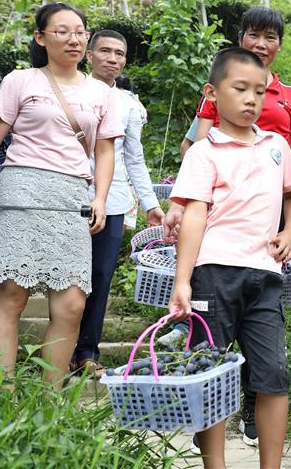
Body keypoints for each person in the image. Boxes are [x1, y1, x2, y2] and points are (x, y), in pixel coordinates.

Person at [0, 2, 122, 386]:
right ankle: (3, 390)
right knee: (12, 295)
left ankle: (49, 401)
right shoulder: (20, 81)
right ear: (41, 37)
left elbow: (104, 150)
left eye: (80, 31)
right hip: (19, 193)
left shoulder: (101, 92)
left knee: (71, 303)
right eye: (62, 31)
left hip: (71, 199)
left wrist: (100, 198)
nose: (73, 39)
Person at [168, 6, 291, 447]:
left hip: (265, 271)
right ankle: (214, 458)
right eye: (240, 90)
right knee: (209, 369)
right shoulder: (204, 151)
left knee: (273, 374)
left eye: (259, 91)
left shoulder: (276, 142)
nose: (252, 100)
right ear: (214, 93)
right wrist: (182, 280)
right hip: (214, 270)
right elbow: (195, 212)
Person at [71, 29, 165, 374]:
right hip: (69, 196)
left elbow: (133, 158)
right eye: (105, 51)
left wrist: (150, 203)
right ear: (89, 55)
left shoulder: (128, 103)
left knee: (101, 274)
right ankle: (61, 348)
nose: (113, 58)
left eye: (120, 54)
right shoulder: (71, 91)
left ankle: (86, 353)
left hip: (112, 201)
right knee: (68, 275)